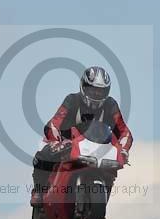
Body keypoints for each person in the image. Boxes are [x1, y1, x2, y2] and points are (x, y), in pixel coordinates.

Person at [30, 66, 133, 207]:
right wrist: (56, 141)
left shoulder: (110, 105)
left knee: (112, 168)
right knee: (43, 155)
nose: (96, 93)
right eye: (93, 89)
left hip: (99, 148)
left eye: (101, 90)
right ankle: (39, 191)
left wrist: (124, 149)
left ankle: (98, 205)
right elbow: (54, 124)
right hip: (67, 143)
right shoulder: (72, 100)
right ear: (83, 87)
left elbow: (124, 132)